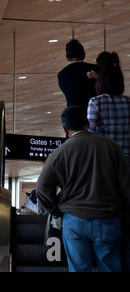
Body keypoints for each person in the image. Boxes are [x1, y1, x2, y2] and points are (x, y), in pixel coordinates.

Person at [36, 106, 129, 272]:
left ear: (65, 129)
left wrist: (56, 210)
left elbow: (42, 188)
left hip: (74, 220)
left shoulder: (58, 153)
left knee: (78, 269)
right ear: (88, 123)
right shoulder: (112, 147)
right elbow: (126, 186)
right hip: (108, 218)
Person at [87, 65, 130, 164]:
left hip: (103, 155)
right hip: (126, 156)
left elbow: (90, 132)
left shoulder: (95, 102)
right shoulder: (128, 101)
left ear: (100, 82)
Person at [58, 39, 99, 115]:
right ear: (84, 55)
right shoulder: (96, 69)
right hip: (94, 111)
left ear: (67, 58)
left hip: (73, 114)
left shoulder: (62, 74)